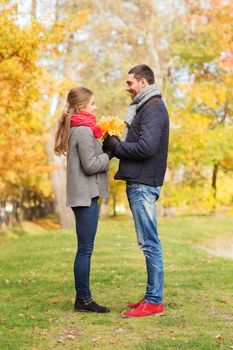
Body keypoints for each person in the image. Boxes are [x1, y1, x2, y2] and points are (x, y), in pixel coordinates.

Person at [103, 64, 169, 317]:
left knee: (149, 242)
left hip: (143, 184)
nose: (127, 87)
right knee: (148, 241)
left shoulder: (152, 108)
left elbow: (145, 148)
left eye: (130, 83)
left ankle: (154, 301)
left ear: (143, 82)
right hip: (140, 182)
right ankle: (152, 294)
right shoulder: (145, 107)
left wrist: (116, 147)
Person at [54, 87, 112, 313]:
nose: (96, 107)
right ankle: (84, 300)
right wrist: (109, 153)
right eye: (92, 103)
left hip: (82, 195)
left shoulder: (79, 129)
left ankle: (83, 298)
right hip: (85, 196)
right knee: (85, 249)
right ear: (81, 107)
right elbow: (90, 166)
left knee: (84, 248)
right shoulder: (83, 131)